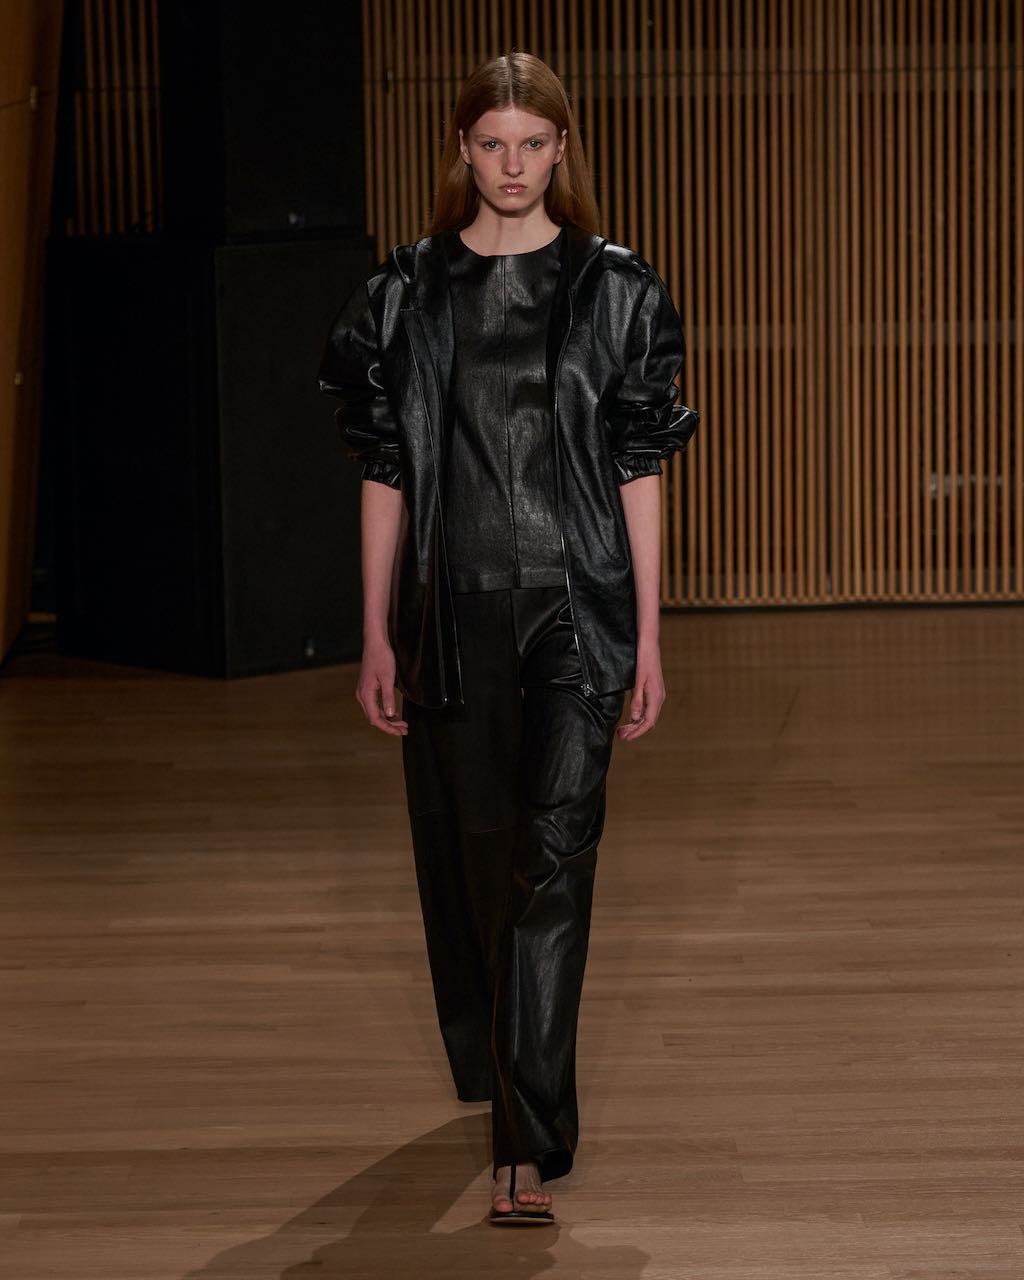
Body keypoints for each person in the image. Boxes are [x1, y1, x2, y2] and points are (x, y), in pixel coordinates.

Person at [319, 51, 697, 1224]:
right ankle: (500, 1080)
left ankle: (525, 1143)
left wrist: (647, 633)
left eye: (533, 144)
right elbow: (384, 469)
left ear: (561, 149)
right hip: (450, 608)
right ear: (462, 149)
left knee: (552, 868)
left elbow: (638, 467)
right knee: (477, 863)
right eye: (492, 143)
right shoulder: (404, 293)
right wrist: (375, 631)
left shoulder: (616, 290)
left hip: (577, 610)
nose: (513, 165)